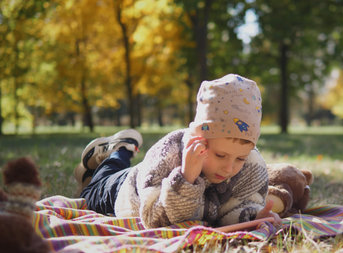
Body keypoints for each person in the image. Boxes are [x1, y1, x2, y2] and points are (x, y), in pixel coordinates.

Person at [75, 74, 281, 228]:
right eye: (220, 155)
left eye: (240, 159)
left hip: (143, 179)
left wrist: (254, 216)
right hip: (124, 189)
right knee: (89, 193)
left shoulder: (251, 163)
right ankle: (121, 149)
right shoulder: (169, 152)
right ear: (199, 139)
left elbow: (238, 207)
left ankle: (109, 158)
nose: (229, 167)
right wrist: (186, 178)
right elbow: (155, 221)